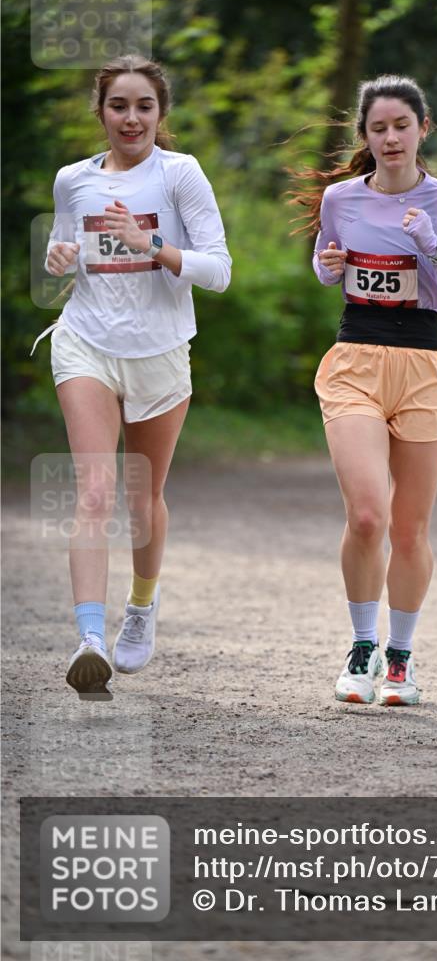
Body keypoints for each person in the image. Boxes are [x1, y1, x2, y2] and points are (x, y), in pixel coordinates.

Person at [288, 74, 437, 706]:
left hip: (425, 363)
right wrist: (327, 266)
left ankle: (399, 661)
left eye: (402, 125)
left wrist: (433, 248)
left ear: (423, 129)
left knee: (409, 528)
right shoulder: (342, 198)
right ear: (365, 136)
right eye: (379, 128)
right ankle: (361, 648)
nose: (391, 137)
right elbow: (327, 264)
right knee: (367, 514)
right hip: (355, 358)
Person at [37, 55, 231, 699]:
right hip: (86, 343)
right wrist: (58, 256)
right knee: (93, 492)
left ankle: (141, 608)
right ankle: (89, 638)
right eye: (118, 106)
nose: (131, 118)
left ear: (160, 113)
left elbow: (218, 270)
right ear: (101, 113)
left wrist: (151, 246)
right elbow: (67, 256)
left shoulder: (180, 175)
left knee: (143, 498)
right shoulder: (73, 180)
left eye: (143, 106)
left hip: (160, 351)